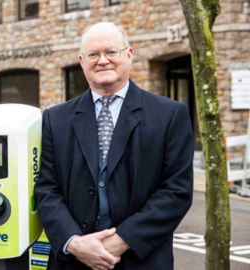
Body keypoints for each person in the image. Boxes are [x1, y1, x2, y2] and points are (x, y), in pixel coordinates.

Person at [34, 22, 194, 270]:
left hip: (141, 259)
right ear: (81, 61)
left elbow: (176, 191)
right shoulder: (56, 119)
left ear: (128, 55)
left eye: (111, 52)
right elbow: (46, 189)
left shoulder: (170, 114)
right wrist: (75, 243)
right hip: (74, 261)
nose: (103, 60)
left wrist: (121, 241)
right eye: (93, 54)